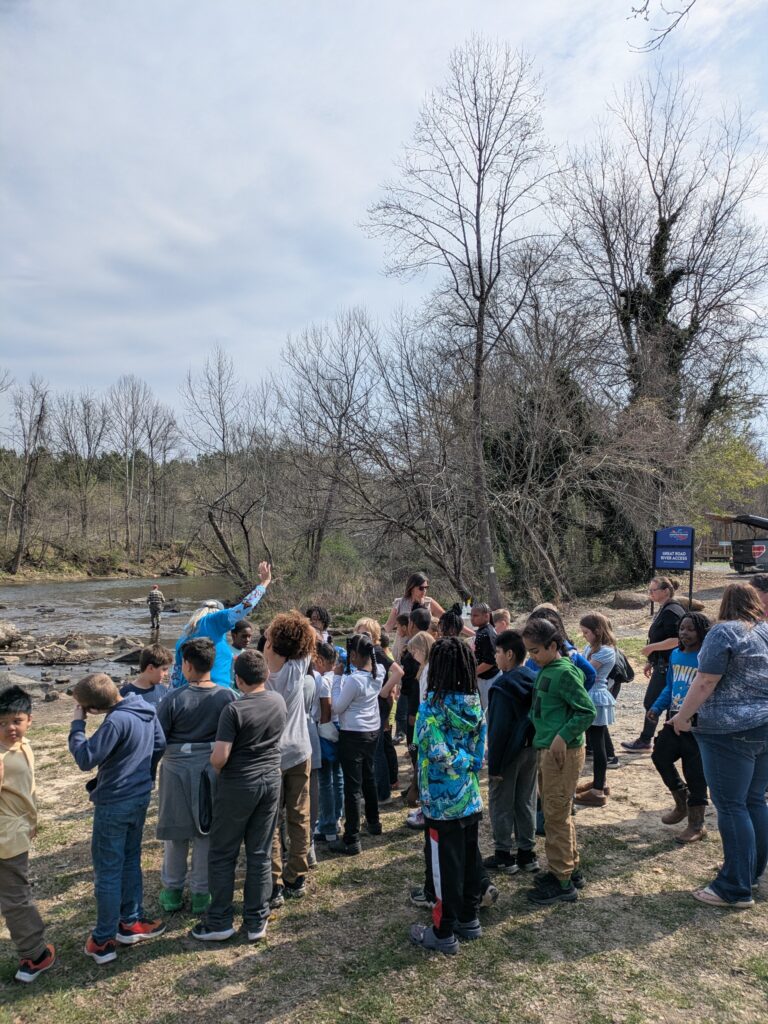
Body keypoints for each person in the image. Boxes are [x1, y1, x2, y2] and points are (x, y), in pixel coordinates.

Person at [670, 584, 768, 908]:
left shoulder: (723, 632)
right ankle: (749, 871)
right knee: (754, 801)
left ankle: (734, 888)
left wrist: (683, 717)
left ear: (724, 603)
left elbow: (705, 680)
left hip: (728, 733)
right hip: (763, 728)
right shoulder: (765, 631)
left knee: (730, 805)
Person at [68, 673, 167, 964]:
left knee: (108, 870)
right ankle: (130, 921)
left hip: (114, 802)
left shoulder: (115, 721)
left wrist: (77, 724)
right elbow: (160, 744)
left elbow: (86, 758)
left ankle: (103, 940)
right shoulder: (145, 709)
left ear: (94, 709)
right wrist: (145, 773)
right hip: (139, 796)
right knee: (129, 859)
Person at [190, 649, 287, 943]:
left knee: (223, 853)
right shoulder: (278, 700)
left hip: (238, 784)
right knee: (259, 852)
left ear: (238, 681)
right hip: (271, 780)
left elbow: (220, 757)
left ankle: (219, 920)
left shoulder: (234, 710)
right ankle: (256, 919)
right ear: (266, 674)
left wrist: (211, 763)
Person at [409, 637, 487, 956]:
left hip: (441, 805)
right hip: (469, 798)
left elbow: (435, 752)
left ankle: (443, 932)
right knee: (469, 861)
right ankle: (469, 918)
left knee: (444, 869)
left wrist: (454, 761)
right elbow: (479, 756)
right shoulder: (474, 704)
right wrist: (468, 763)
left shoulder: (430, 708)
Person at [156, 638, 237, 914]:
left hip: (176, 768)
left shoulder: (172, 699)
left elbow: (159, 740)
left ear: (187, 666)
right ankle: (202, 893)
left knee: (176, 833)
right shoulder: (226, 696)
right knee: (206, 832)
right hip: (212, 768)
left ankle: (172, 891)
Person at [522, 619, 595, 905]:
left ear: (553, 646)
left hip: (560, 753)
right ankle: (570, 868)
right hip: (546, 750)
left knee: (555, 815)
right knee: (557, 811)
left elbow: (586, 711)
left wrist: (562, 737)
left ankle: (561, 880)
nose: (532, 656)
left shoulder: (565, 672)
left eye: (536, 651)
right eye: (528, 651)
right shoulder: (546, 668)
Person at [0, 685, 55, 983]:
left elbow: (27, 790)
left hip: (17, 831)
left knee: (14, 892)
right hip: (5, 837)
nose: (10, 727)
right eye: (2, 722)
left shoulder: (24, 746)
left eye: (16, 721)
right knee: (15, 897)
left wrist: (32, 821)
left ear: (29, 720)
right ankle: (35, 955)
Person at [263, 611, 315, 904]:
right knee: (299, 814)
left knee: (270, 818)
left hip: (269, 754)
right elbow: (309, 640)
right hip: (298, 750)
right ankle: (297, 875)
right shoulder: (299, 666)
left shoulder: (259, 669)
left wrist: (267, 644)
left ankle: (272, 881)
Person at [648, 613, 711, 843]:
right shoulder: (675, 654)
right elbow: (671, 686)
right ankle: (680, 801)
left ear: (702, 632)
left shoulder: (707, 658)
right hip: (673, 718)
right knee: (660, 756)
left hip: (698, 724)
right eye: (682, 629)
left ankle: (697, 824)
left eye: (690, 629)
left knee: (695, 773)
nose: (684, 633)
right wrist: (656, 707)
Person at [482, 630, 539, 875]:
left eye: (497, 652)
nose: (495, 657)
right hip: (531, 749)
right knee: (525, 800)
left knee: (501, 802)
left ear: (509, 654)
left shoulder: (503, 685)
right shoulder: (534, 677)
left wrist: (494, 767)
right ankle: (527, 853)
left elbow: (498, 730)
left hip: (508, 754)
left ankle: (504, 855)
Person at [170, 562, 272, 688]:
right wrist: (264, 583)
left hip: (188, 693)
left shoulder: (186, 633)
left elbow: (176, 674)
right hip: (215, 695)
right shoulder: (214, 621)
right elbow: (245, 606)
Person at [328, 633, 384, 856]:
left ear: (354, 655)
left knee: (352, 787)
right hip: (372, 730)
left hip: (352, 733)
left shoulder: (353, 680)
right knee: (368, 776)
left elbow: (338, 707)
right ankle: (373, 821)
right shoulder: (378, 672)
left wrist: (335, 680)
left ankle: (351, 838)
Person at [622, 577, 686, 753]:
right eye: (649, 590)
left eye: (653, 590)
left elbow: (677, 639)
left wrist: (651, 648)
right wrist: (651, 660)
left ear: (666, 591)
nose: (650, 593)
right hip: (661, 663)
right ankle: (660, 740)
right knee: (659, 702)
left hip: (669, 666)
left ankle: (649, 740)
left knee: (653, 702)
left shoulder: (672, 611)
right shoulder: (664, 609)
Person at [574, 614, 617, 809]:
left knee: (597, 744)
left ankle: (598, 790)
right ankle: (600, 782)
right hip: (588, 694)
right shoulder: (590, 648)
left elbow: (585, 671)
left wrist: (573, 659)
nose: (583, 636)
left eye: (586, 632)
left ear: (597, 631)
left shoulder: (606, 651)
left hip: (596, 697)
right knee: (595, 740)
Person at [313, 642, 345, 844]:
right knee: (337, 776)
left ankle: (327, 824)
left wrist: (323, 729)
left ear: (322, 661)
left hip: (326, 730)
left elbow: (326, 711)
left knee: (325, 780)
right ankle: (336, 816)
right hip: (339, 729)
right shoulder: (339, 677)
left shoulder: (323, 680)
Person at [471, 603, 498, 710]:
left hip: (488, 679)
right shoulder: (482, 631)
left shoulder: (487, 634)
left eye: (475, 616)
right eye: (471, 615)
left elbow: (490, 661)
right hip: (483, 677)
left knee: (487, 710)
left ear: (487, 616)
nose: (472, 619)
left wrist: (472, 672)